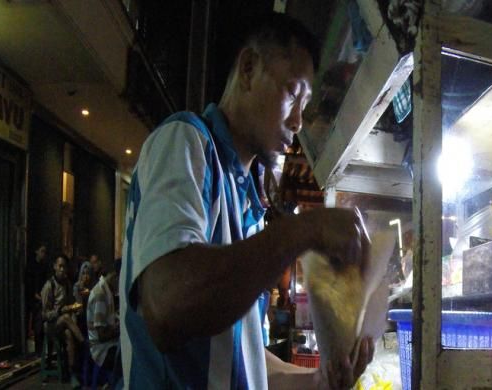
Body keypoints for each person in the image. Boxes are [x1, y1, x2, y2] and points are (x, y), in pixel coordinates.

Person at [121, 13, 373, 389]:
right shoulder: (186, 141)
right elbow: (167, 304)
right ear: (249, 67)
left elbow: (244, 355)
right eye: (293, 93)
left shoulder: (250, 206)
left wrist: (322, 380)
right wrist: (305, 230)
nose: (298, 121)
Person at [41, 254, 84, 385]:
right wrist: (59, 311)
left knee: (69, 335)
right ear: (55, 266)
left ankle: (72, 374)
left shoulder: (67, 284)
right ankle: (83, 342)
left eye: (64, 267)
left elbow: (71, 303)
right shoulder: (49, 286)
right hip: (51, 325)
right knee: (65, 317)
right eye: (59, 266)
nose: (62, 269)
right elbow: (44, 314)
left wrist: (75, 308)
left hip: (64, 325)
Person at [87, 260, 121, 378]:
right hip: (101, 350)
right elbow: (101, 335)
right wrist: (120, 330)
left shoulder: (106, 290)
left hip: (107, 344)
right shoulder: (101, 294)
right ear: (115, 276)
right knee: (130, 357)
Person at [25, 244, 49, 353]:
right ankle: (36, 349)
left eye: (44, 252)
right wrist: (36, 295)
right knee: (35, 323)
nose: (43, 254)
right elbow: (30, 283)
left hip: (41, 297)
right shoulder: (31, 266)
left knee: (40, 324)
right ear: (37, 251)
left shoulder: (43, 266)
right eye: (42, 251)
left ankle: (40, 349)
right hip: (33, 299)